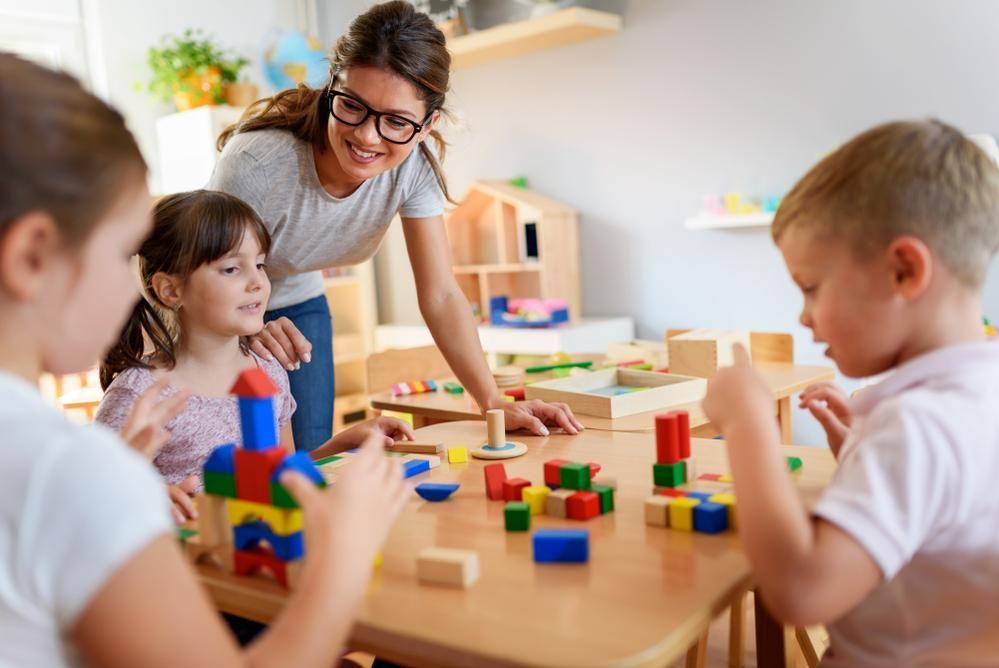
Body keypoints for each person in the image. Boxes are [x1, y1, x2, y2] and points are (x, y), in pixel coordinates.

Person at [0, 52, 409, 667]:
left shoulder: (68, 462)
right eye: (123, 251)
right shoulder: (64, 469)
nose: (130, 286)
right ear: (32, 256)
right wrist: (344, 559)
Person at [211, 0, 582, 452]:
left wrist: (492, 401)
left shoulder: (412, 170)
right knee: (228, 459)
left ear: (426, 126)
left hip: (296, 303)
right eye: (352, 106)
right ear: (332, 86)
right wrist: (245, 328)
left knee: (308, 463)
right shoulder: (258, 163)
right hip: (211, 303)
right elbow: (198, 272)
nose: (367, 137)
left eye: (396, 122)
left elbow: (441, 294)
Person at [702, 119, 999, 666]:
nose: (804, 316)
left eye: (811, 287)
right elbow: (946, 508)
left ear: (904, 272)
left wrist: (748, 423)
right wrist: (857, 450)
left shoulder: (919, 425)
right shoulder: (982, 390)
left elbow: (800, 591)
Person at [95, 190, 415, 523]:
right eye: (232, 269)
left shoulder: (269, 371)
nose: (257, 282)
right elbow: (94, 505)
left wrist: (344, 443)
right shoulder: (139, 395)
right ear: (171, 290)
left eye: (260, 264)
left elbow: (282, 475)